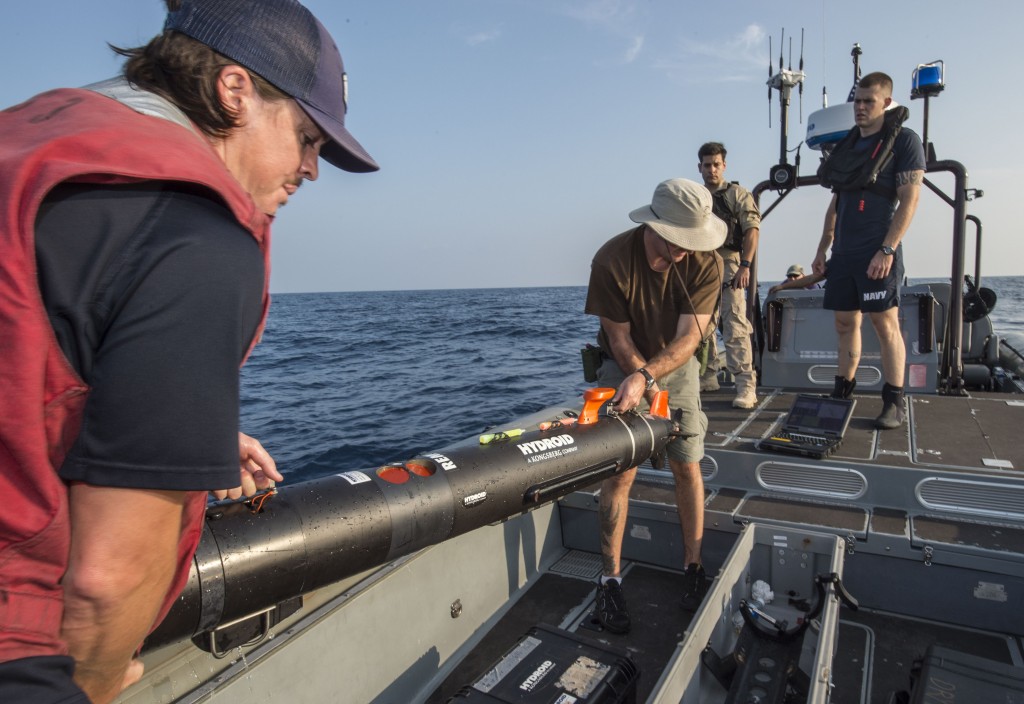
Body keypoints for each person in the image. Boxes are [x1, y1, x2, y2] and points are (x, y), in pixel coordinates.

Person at [0, 2, 378, 703]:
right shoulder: (193, 234)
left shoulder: (31, 146)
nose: (311, 169)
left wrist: (185, 431)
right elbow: (106, 580)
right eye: (306, 137)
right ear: (235, 92)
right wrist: (99, 677)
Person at [584, 178, 725, 634]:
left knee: (688, 464)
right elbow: (620, 338)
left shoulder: (708, 263)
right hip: (620, 364)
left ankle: (694, 567)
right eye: (675, 243)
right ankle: (609, 579)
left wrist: (650, 377)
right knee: (619, 471)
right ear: (652, 225)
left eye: (691, 243)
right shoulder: (610, 260)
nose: (682, 253)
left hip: (676, 365)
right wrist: (637, 379)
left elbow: (690, 338)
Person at [811, 72, 925, 429]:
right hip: (844, 252)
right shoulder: (848, 144)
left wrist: (887, 250)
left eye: (868, 102)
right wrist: (822, 249)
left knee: (885, 322)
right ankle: (842, 391)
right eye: (857, 101)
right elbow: (835, 203)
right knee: (845, 323)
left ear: (886, 103)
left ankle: (894, 400)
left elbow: (910, 199)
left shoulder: (904, 141)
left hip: (877, 248)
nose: (860, 107)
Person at [697, 142, 761, 408]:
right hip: (700, 263)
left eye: (716, 164)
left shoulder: (737, 194)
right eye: (707, 165)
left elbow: (751, 230)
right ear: (699, 167)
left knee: (734, 324)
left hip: (729, 261)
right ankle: (708, 375)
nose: (712, 169)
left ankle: (746, 385)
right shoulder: (696, 196)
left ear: (724, 165)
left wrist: (745, 265)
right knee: (702, 326)